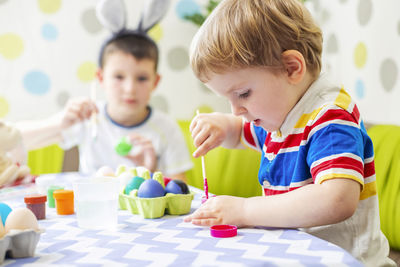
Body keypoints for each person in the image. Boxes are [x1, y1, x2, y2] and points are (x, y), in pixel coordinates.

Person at [183, 0, 395, 265]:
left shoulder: (329, 117)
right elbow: (240, 132)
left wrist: (245, 209)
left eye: (243, 94)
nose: (237, 109)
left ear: (291, 68)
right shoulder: (281, 113)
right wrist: (223, 126)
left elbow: (337, 198)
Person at [18, 32, 193, 181]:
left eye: (142, 78)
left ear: (155, 82)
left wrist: (150, 173)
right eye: (118, 76)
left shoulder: (166, 129)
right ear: (101, 78)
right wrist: (59, 124)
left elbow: (180, 191)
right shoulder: (88, 117)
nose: (130, 89)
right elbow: (10, 141)